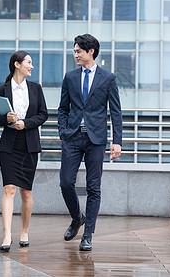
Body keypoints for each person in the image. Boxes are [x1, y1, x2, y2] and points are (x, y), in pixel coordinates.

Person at [58, 34, 123, 251]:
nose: (75, 54)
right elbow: (62, 108)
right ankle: (77, 217)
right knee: (66, 182)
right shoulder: (70, 77)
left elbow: (116, 112)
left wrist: (117, 142)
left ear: (90, 52)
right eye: (75, 51)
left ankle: (88, 235)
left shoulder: (108, 78)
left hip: (96, 139)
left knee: (94, 187)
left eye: (78, 51)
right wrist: (63, 131)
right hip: (73, 137)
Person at [0, 50, 48, 252]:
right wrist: (5, 119)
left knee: (26, 191)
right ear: (17, 64)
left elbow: (43, 114)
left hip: (29, 144)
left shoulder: (36, 88)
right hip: (9, 145)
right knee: (9, 189)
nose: (32, 66)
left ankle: (24, 231)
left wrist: (25, 123)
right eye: (29, 63)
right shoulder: (2, 89)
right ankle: (7, 235)